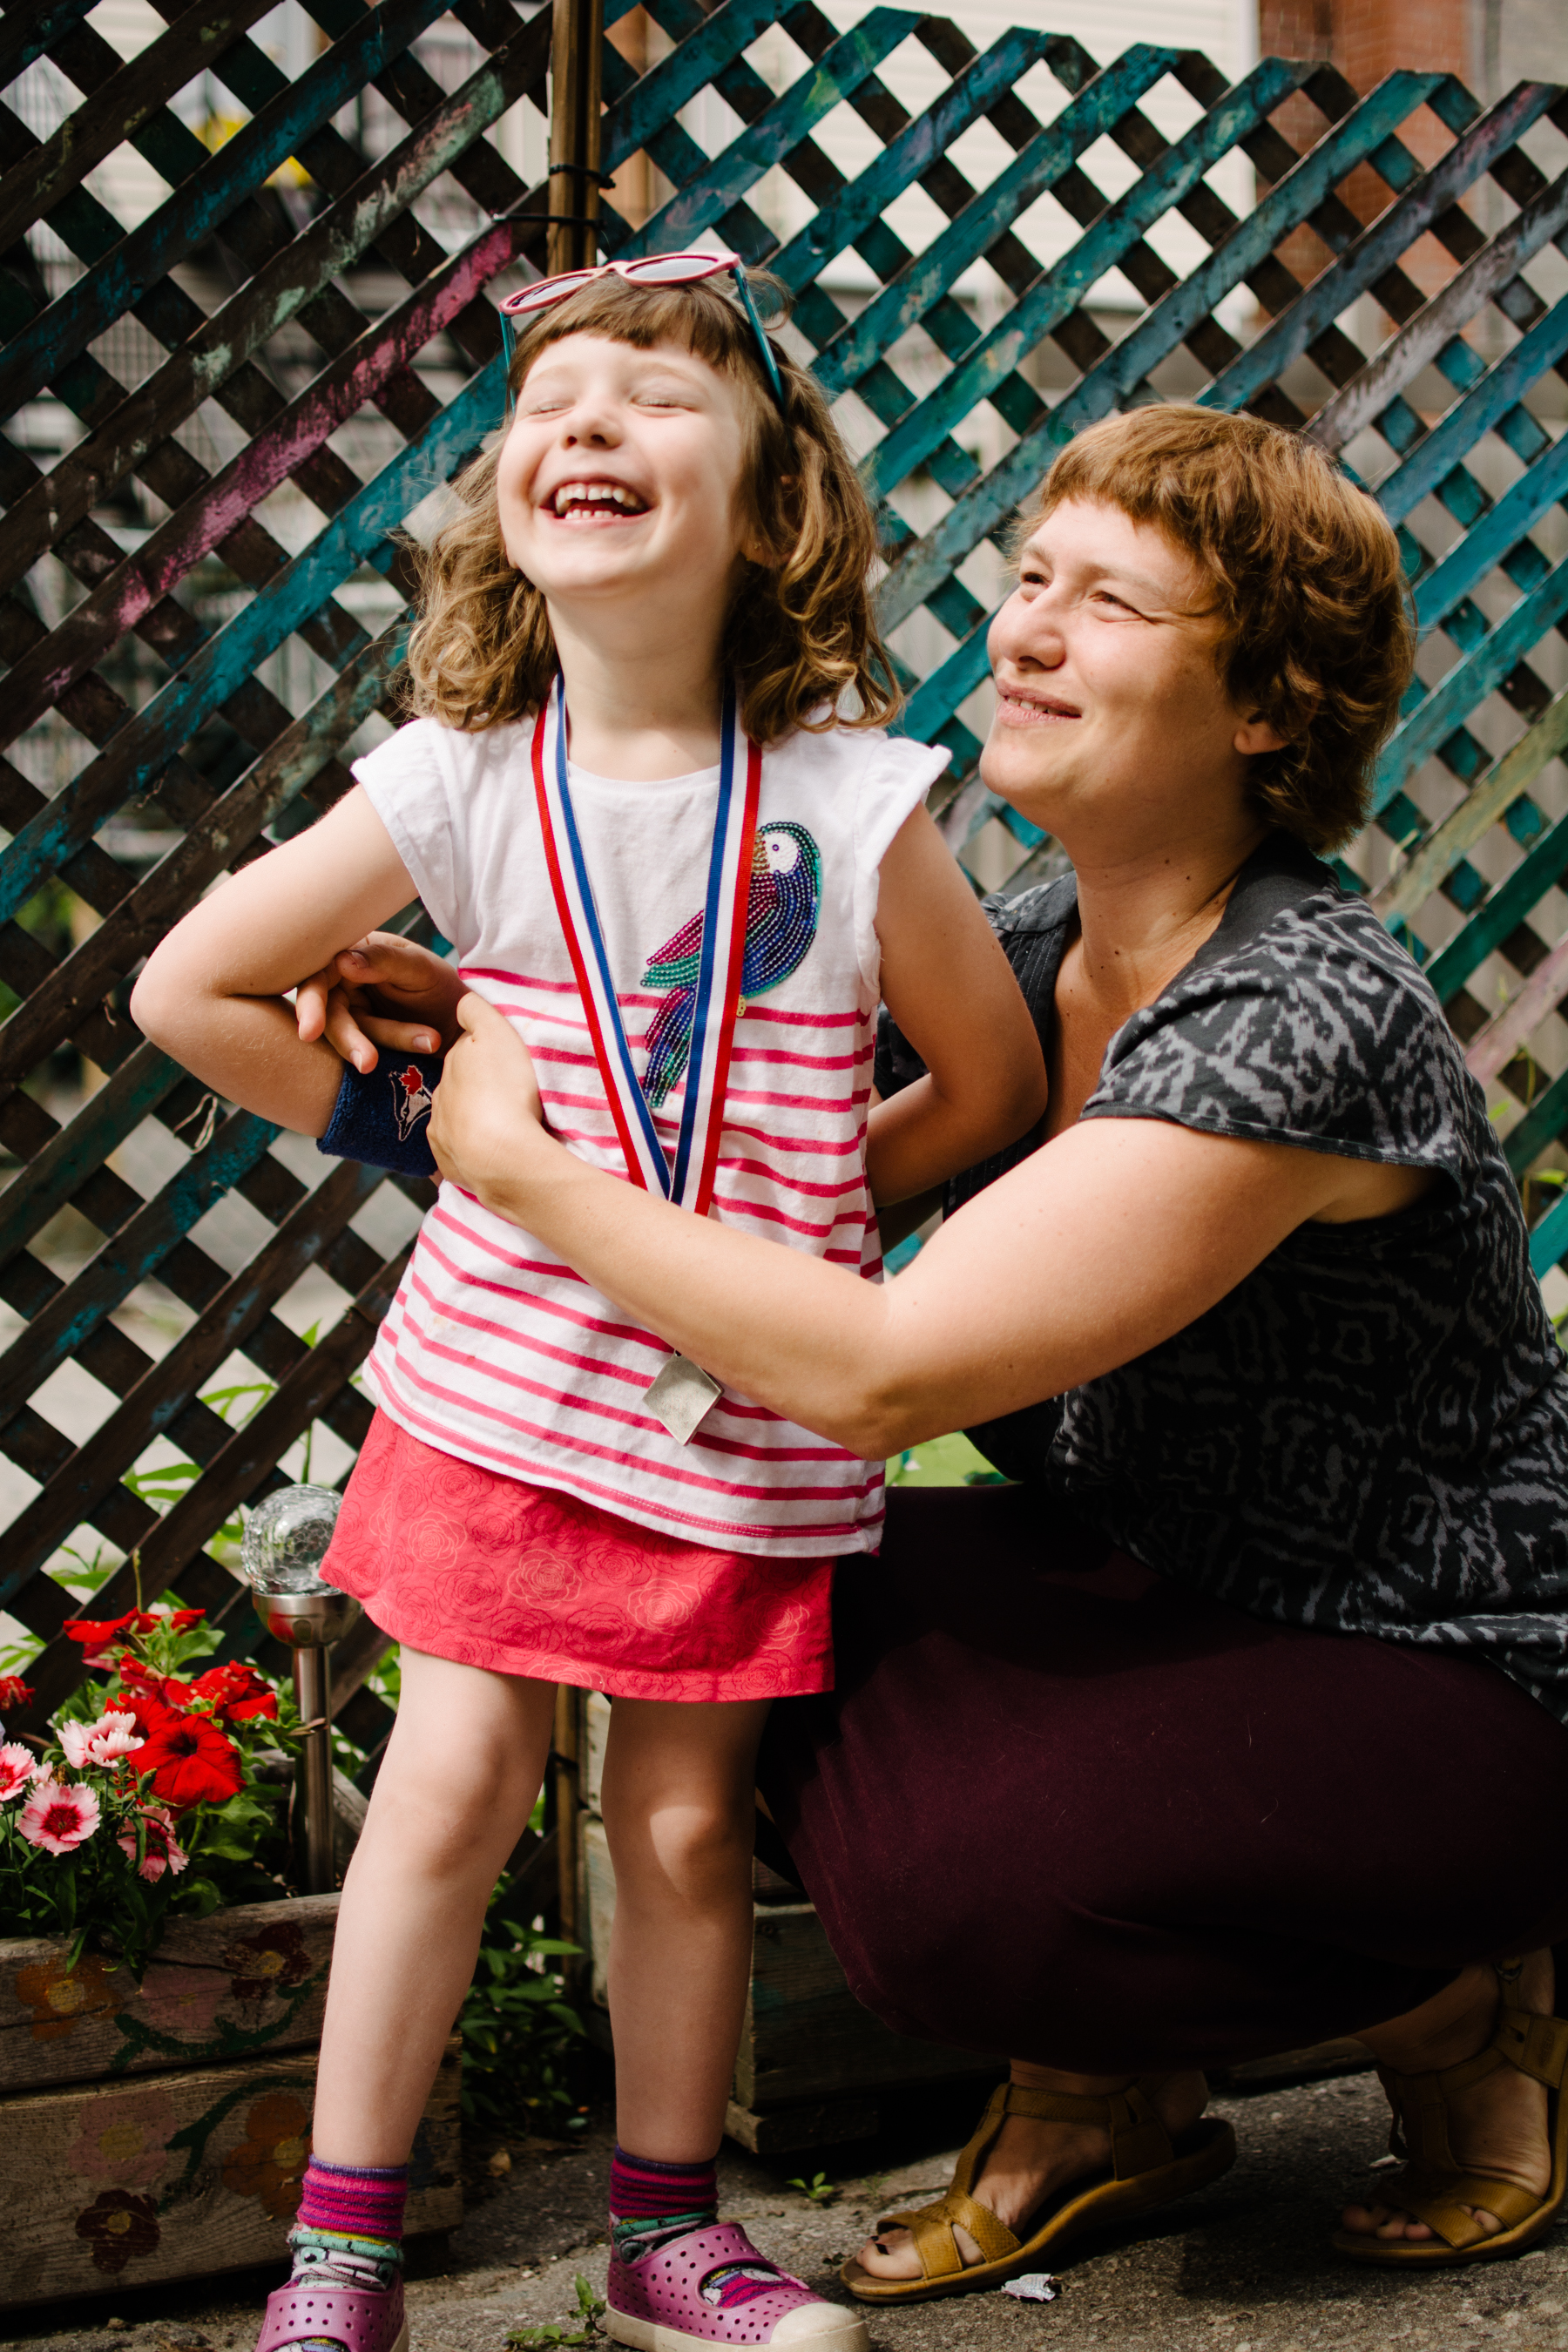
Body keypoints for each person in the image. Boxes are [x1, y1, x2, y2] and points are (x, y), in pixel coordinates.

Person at [410, 402, 1568, 2295]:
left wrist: (522, 1177)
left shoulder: (1307, 1007)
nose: (1024, 630)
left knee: (984, 1900)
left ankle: (1466, 2002)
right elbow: (725, 1164)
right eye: (1031, 579)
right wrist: (446, 1010)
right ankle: (1114, 2091)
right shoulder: (1026, 951)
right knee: (707, 1580)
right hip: (1163, 1585)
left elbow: (883, 1368)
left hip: (1439, 1663)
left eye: (1107, 602)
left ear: (1269, 706)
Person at [130, 256, 1047, 2352]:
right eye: (553, 404)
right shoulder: (452, 785)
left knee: (688, 1822)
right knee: (444, 1795)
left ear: (773, 498)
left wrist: (806, 1223)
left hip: (742, 1420)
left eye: (656, 398)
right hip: (498, 1391)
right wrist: (424, 1145)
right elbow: (189, 991)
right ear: (504, 500)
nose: (591, 430)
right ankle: (338, 2257)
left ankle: (666, 2242)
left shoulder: (853, 796)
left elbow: (992, 1085)